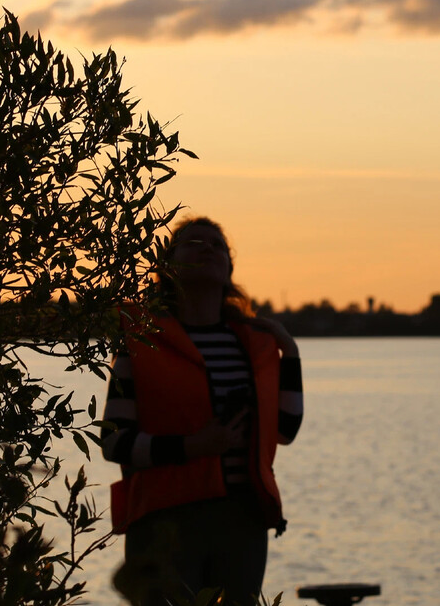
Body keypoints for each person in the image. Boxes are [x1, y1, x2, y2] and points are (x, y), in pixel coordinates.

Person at [101, 216, 304, 606]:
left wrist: (290, 352)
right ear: (168, 265)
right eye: (193, 242)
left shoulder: (253, 344)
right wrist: (192, 446)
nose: (208, 248)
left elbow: (287, 428)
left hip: (242, 522)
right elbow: (114, 442)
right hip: (164, 520)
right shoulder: (139, 341)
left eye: (217, 245)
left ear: (229, 269)